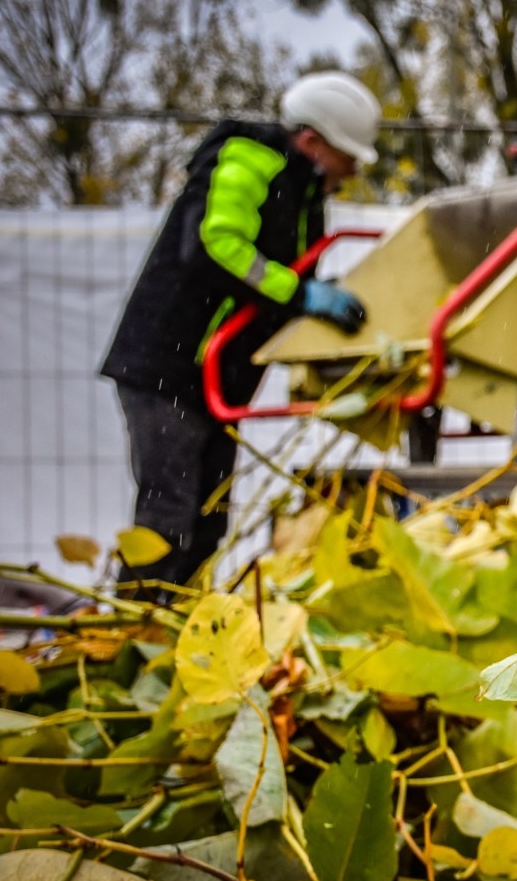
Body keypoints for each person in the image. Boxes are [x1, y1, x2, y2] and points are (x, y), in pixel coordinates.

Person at [100, 71, 380, 591]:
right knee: (170, 514)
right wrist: (302, 295)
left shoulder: (303, 194)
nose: (355, 167)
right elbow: (216, 246)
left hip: (211, 378)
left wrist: (315, 300)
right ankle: (131, 632)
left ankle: (182, 633)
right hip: (169, 365)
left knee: (208, 521)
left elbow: (283, 273)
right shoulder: (250, 159)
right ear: (313, 140)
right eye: (349, 154)